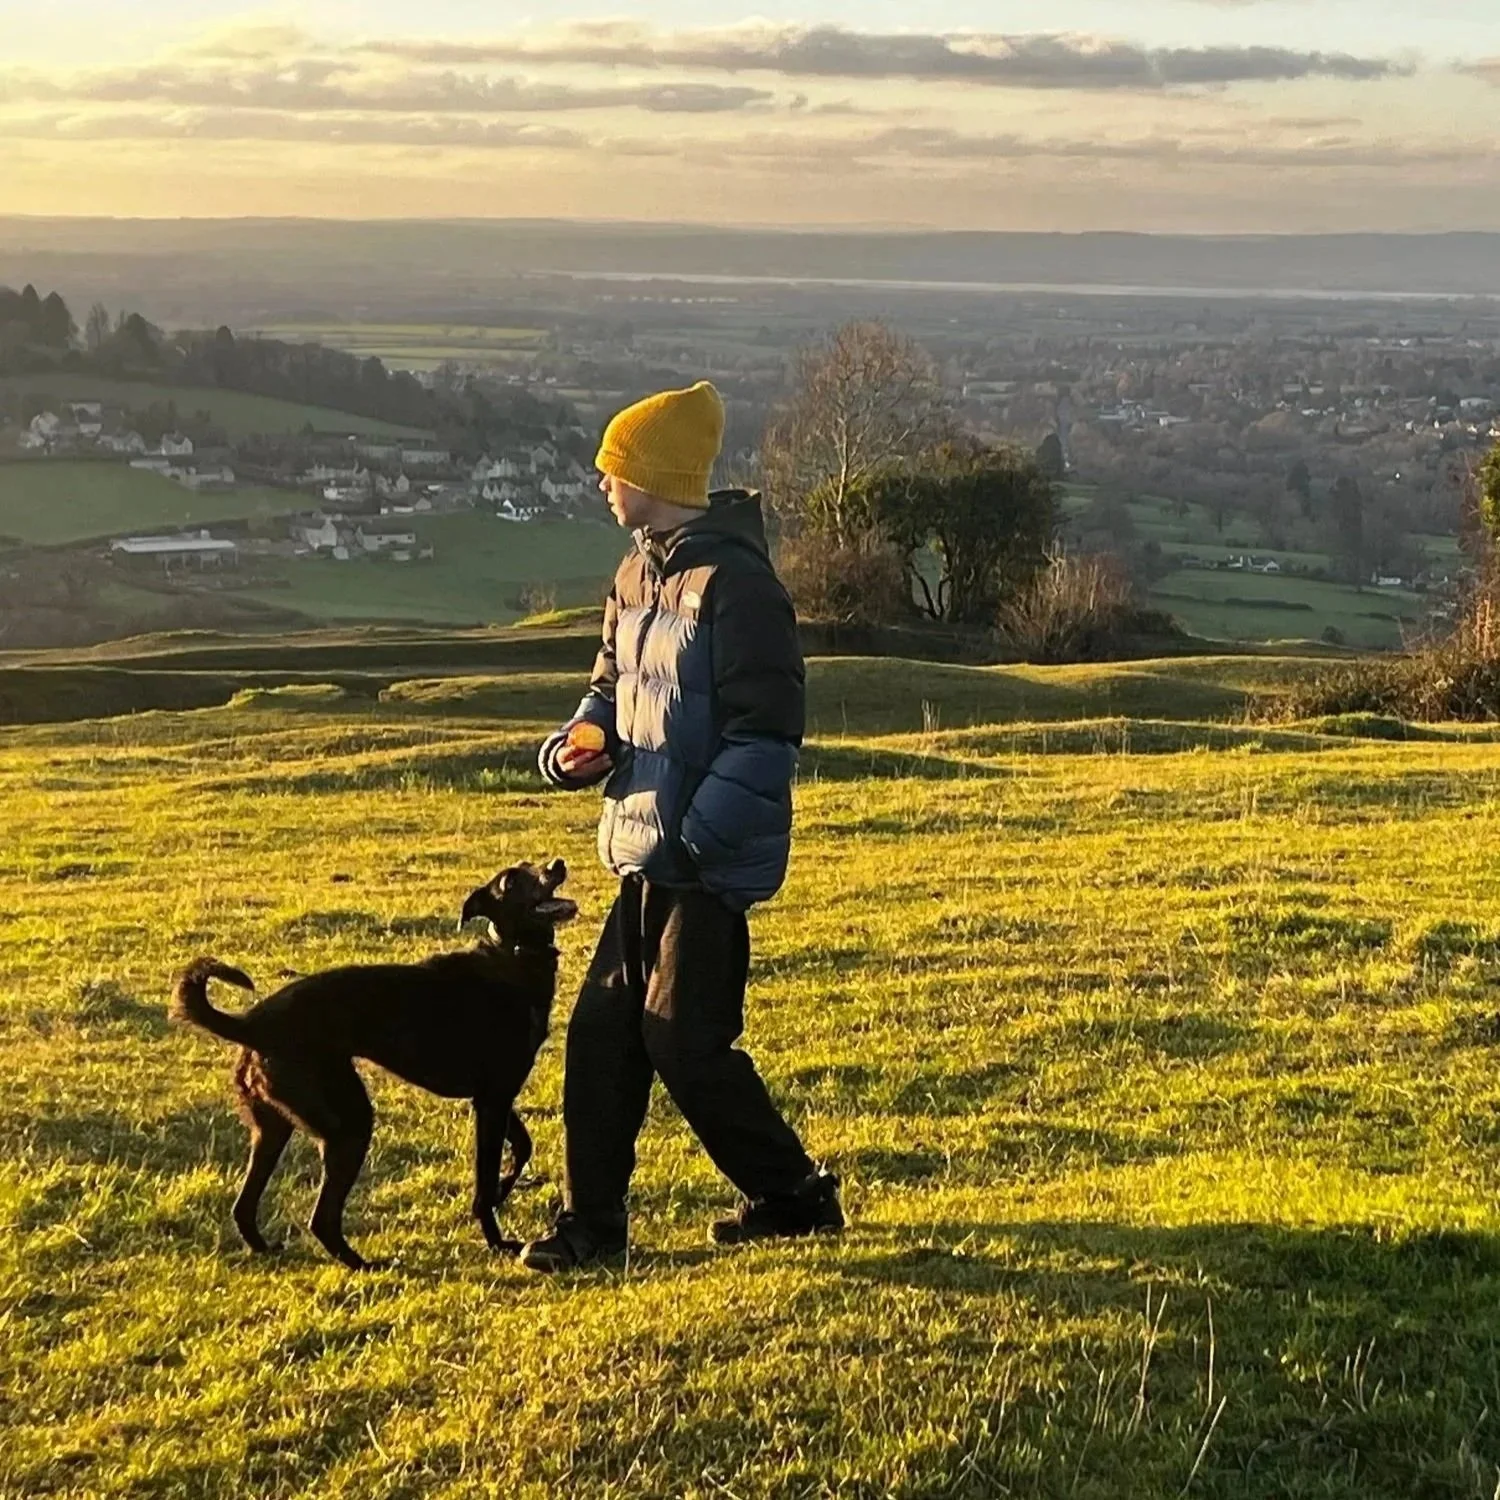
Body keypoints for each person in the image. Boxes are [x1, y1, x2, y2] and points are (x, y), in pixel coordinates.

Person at [521, 379, 842, 1272]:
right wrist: (574, 745)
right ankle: (591, 1227)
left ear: (650, 475)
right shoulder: (635, 574)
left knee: (682, 1040)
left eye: (609, 468)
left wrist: (696, 842)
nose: (600, 485)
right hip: (641, 851)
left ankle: (792, 1198)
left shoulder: (740, 588)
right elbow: (606, 690)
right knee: (600, 1035)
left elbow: (767, 735)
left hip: (700, 860)